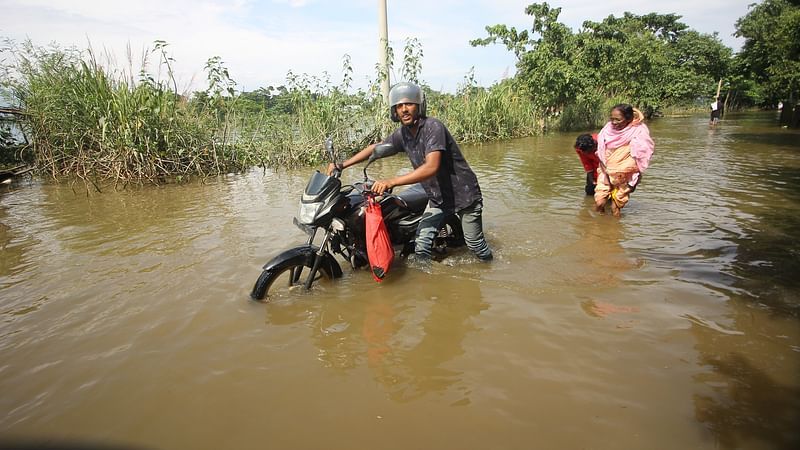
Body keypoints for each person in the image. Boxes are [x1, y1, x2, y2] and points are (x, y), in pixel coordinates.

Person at [327, 81, 493, 262]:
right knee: (421, 245)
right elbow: (376, 147)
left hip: (463, 194)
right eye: (399, 106)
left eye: (409, 104)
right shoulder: (403, 134)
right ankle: (427, 284)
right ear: (394, 111)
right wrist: (342, 165)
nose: (404, 109)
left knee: (475, 243)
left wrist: (392, 181)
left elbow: (431, 167)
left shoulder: (433, 127)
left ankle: (490, 266)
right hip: (438, 197)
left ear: (419, 106)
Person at [594, 103, 654, 217]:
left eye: (618, 120)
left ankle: (614, 231)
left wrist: (633, 183)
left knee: (615, 207)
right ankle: (598, 227)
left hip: (624, 175)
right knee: (600, 202)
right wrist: (606, 171)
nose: (614, 123)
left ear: (629, 119)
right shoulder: (607, 129)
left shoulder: (638, 131)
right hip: (605, 169)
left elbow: (641, 155)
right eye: (612, 119)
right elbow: (601, 152)